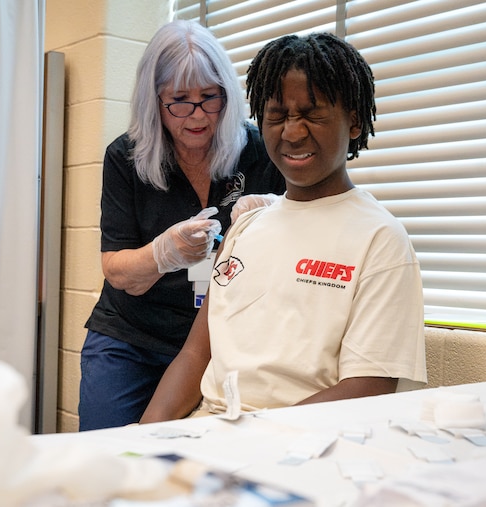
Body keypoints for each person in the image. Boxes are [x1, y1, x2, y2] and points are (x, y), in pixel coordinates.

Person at [140, 32, 427, 423]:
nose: (292, 132)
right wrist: (142, 440)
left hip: (305, 448)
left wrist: (248, 443)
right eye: (277, 116)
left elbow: (368, 389)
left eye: (312, 114)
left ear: (355, 122)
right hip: (208, 435)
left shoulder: (380, 239)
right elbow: (196, 355)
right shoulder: (246, 227)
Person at [79, 20, 286, 430]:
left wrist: (275, 210)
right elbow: (117, 270)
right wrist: (163, 254)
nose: (197, 116)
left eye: (210, 98)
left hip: (219, 340)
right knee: (106, 453)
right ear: (153, 101)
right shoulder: (126, 158)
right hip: (131, 337)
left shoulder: (258, 151)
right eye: (179, 100)